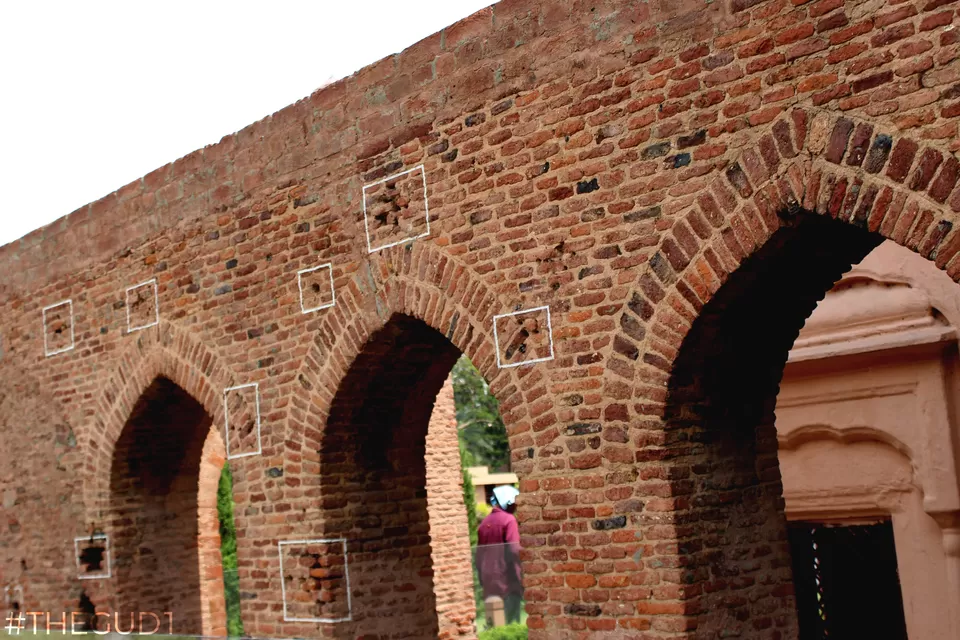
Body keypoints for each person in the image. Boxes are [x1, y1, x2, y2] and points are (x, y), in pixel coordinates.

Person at [476, 485, 523, 625]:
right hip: (507, 580)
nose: (515, 507)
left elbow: (479, 556)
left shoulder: (484, 523)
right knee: (511, 623)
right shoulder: (509, 520)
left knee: (494, 623)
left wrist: (482, 578)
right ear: (507, 502)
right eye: (514, 503)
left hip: (489, 581)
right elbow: (514, 549)